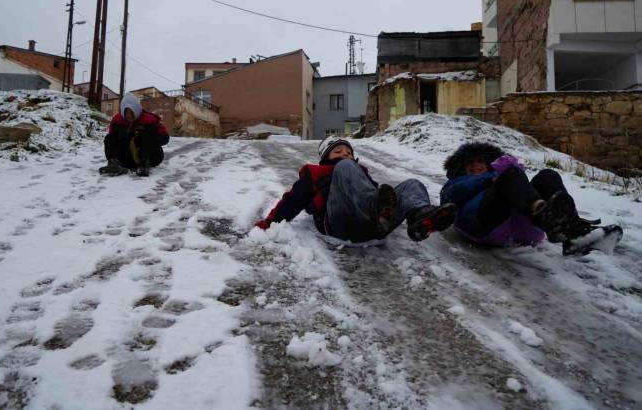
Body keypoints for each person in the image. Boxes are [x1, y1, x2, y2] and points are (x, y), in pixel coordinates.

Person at [254, 136, 457, 243]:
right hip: (340, 224)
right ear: (325, 157)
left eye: (349, 152)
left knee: (412, 184)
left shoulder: (358, 170)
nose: (345, 154)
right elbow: (293, 200)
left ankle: (420, 218)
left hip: (375, 228)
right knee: (346, 169)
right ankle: (374, 211)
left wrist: (398, 204)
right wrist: (270, 222)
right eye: (338, 151)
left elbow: (382, 196)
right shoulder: (316, 172)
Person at [439, 142, 601, 251]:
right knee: (512, 174)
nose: (475, 165)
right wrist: (492, 179)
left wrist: (505, 176)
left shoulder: (500, 177)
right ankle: (542, 212)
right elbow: (451, 195)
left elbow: (519, 187)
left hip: (520, 225)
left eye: (479, 161)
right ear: (461, 168)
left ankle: (572, 230)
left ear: (487, 163)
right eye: (470, 163)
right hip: (482, 223)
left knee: (548, 175)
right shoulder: (456, 182)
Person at [99, 93, 170, 177]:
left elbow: (165, 138)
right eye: (126, 112)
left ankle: (144, 164)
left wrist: (146, 140)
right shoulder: (117, 120)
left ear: (136, 109)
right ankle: (115, 164)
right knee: (109, 138)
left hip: (150, 157)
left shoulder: (149, 120)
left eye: (131, 112)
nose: (129, 115)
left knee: (147, 134)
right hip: (127, 158)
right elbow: (111, 139)